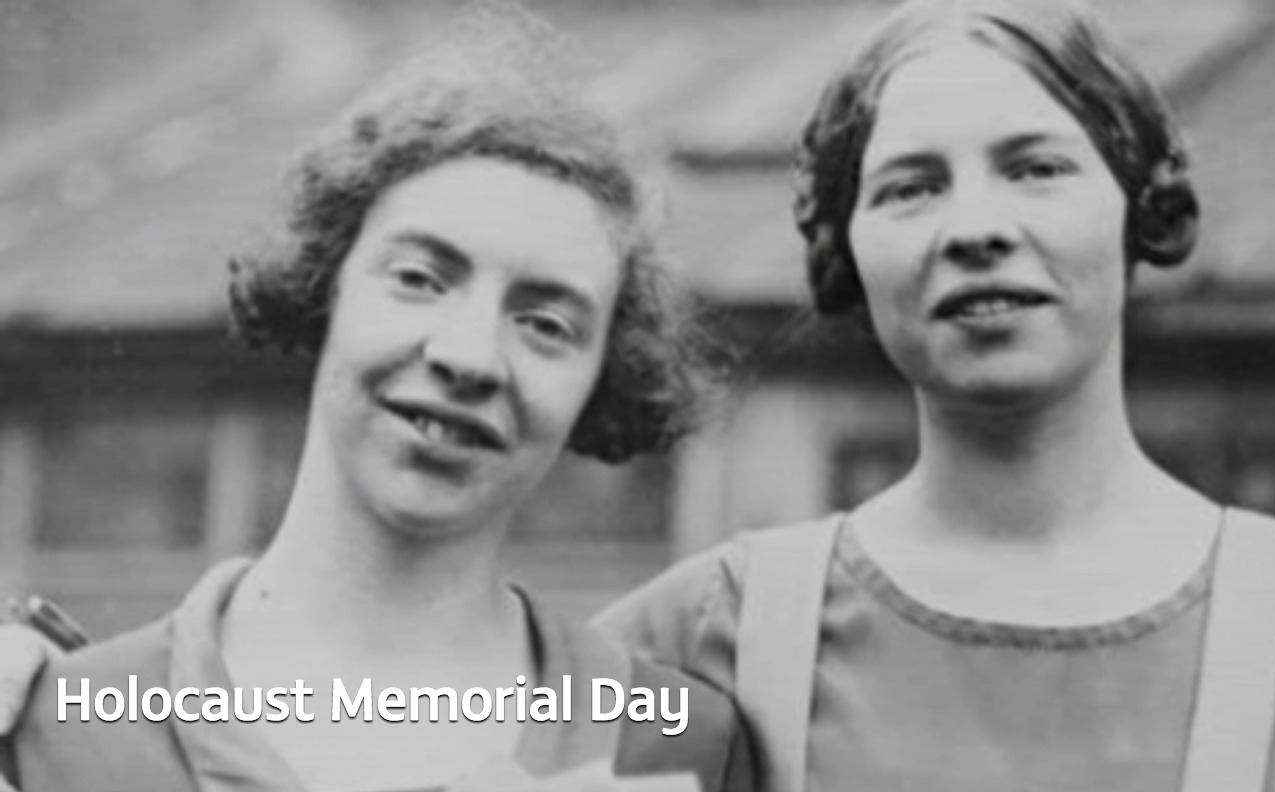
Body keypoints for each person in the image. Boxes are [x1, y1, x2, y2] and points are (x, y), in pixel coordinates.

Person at [595, 0, 1275, 790]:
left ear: (1139, 209)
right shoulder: (693, 645)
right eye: (911, 186)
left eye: (1037, 169)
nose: (975, 229)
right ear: (848, 249)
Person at [0, 7, 752, 792]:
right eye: (419, 279)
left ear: (602, 376)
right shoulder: (60, 732)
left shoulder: (672, 744)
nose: (469, 357)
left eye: (545, 324)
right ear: (324, 286)